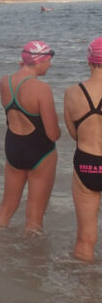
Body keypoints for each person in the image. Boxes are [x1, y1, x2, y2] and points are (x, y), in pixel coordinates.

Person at [0, 41, 60, 232]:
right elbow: (53, 134)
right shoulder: (41, 88)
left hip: (13, 147)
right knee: (34, 216)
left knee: (6, 208)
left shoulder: (5, 82)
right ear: (39, 61)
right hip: (40, 151)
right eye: (49, 60)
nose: (50, 65)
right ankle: (31, 251)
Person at [64, 37, 102, 261]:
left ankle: (83, 282)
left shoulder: (72, 93)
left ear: (89, 61)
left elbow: (73, 133)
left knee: (85, 238)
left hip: (87, 163)